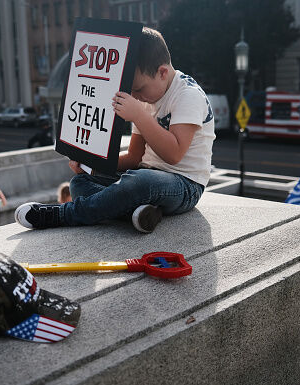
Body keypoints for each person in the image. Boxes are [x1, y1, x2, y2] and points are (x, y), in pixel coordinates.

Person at [15, 27, 214, 233]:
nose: (135, 96)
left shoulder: (188, 95)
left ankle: (63, 214)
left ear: (162, 72)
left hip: (185, 185)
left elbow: (174, 154)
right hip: (144, 176)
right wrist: (91, 164)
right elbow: (134, 157)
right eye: (132, 90)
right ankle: (141, 213)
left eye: (139, 89)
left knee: (139, 182)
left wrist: (139, 115)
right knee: (80, 183)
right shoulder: (145, 101)